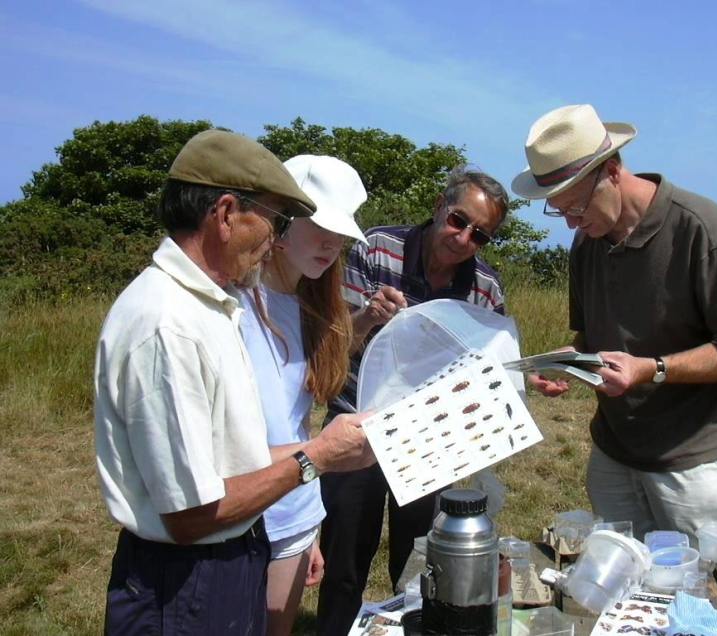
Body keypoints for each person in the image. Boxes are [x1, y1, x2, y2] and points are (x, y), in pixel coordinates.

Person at [94, 130, 375, 636]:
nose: (274, 239)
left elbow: (235, 456)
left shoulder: (210, 306)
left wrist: (311, 493)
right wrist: (318, 457)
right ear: (226, 214)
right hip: (185, 577)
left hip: (232, 549)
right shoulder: (169, 325)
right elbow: (193, 513)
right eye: (276, 220)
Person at [511, 104, 717, 542]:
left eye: (577, 205)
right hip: (614, 452)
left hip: (693, 460)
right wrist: (564, 362)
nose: (572, 223)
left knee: (704, 576)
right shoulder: (587, 243)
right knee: (623, 573)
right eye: (559, 211)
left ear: (612, 171)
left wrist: (652, 369)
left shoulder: (703, 230)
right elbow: (591, 338)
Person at [316, 165, 510, 634]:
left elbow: (490, 371)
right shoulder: (376, 248)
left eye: (480, 235)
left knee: (422, 559)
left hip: (429, 434)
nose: (464, 238)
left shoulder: (485, 289)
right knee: (344, 554)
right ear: (439, 206)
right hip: (356, 422)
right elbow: (332, 347)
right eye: (458, 221)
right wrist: (367, 317)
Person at [238, 155, 368, 635]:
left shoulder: (313, 306)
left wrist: (310, 526)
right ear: (284, 220)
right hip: (236, 515)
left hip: (293, 511)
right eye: (320, 227)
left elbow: (295, 423)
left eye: (341, 233)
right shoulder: (234, 302)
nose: (332, 243)